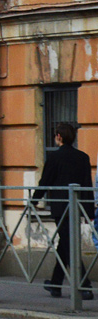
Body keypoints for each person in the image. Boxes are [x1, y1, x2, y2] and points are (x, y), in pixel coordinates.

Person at [36, 122, 94, 299]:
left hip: (60, 208)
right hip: (76, 208)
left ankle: (84, 286)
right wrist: (89, 211)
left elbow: (45, 182)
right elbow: (87, 185)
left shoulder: (54, 157)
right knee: (66, 243)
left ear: (59, 137)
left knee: (68, 245)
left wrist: (33, 201)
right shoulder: (83, 157)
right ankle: (55, 284)